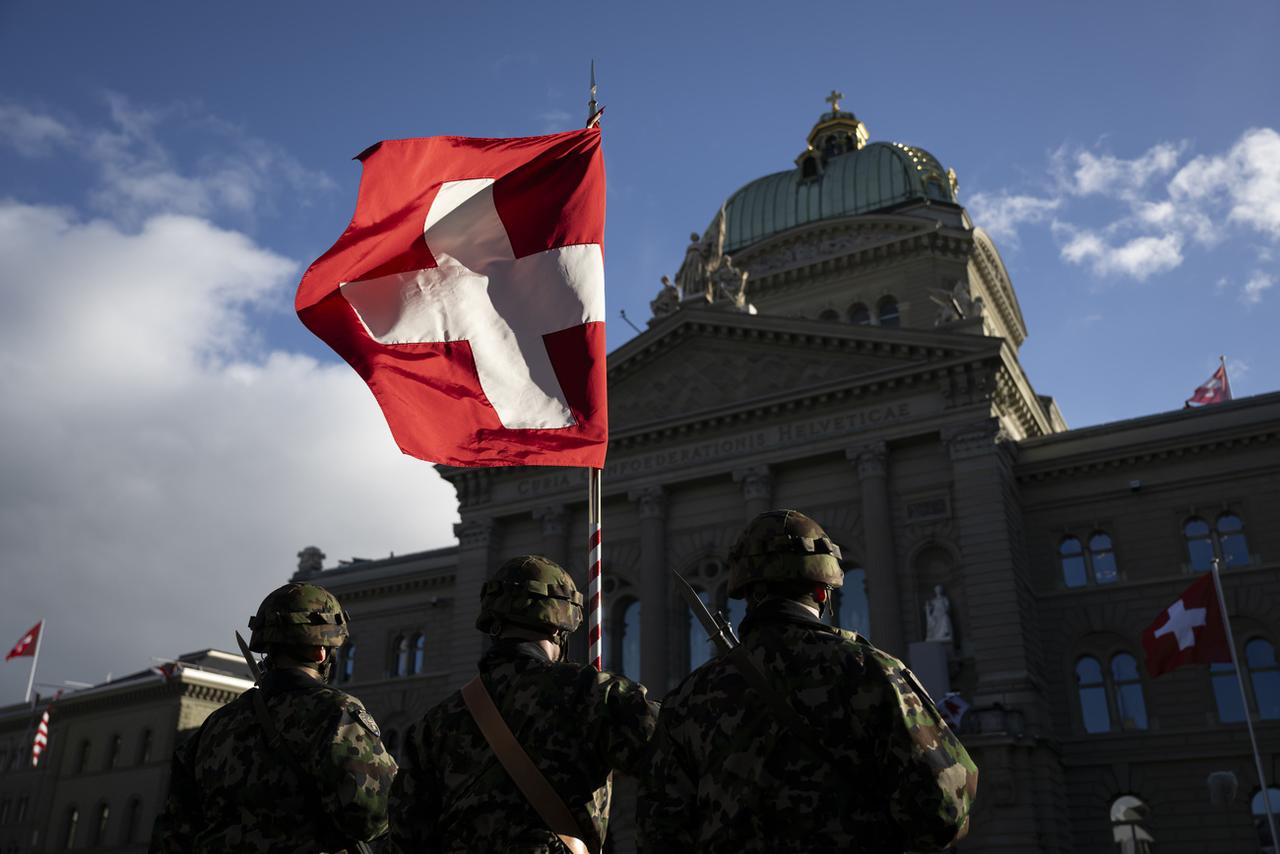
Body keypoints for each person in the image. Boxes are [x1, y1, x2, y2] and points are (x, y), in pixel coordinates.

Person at [637, 510, 978, 853]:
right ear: (822, 591)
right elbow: (945, 808)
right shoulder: (871, 672)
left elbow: (658, 832)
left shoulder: (689, 698)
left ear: (745, 592)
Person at [388, 555, 659, 853]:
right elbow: (681, 752)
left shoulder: (434, 724)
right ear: (560, 627)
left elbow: (405, 838)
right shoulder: (589, 692)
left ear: (494, 624)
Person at [151, 583, 397, 853]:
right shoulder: (336, 712)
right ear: (321, 652)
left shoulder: (216, 725)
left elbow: (171, 836)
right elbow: (375, 815)